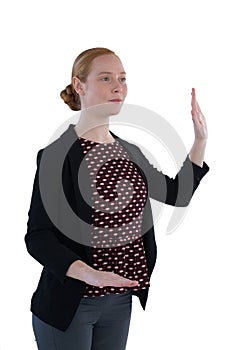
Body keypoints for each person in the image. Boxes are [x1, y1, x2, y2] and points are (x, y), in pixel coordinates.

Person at [25, 47, 209, 350]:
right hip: (71, 305)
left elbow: (177, 194)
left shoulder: (129, 152)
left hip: (120, 303)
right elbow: (38, 237)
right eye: (106, 78)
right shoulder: (57, 156)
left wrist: (200, 140)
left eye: (122, 79)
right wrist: (88, 274)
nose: (118, 87)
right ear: (79, 85)